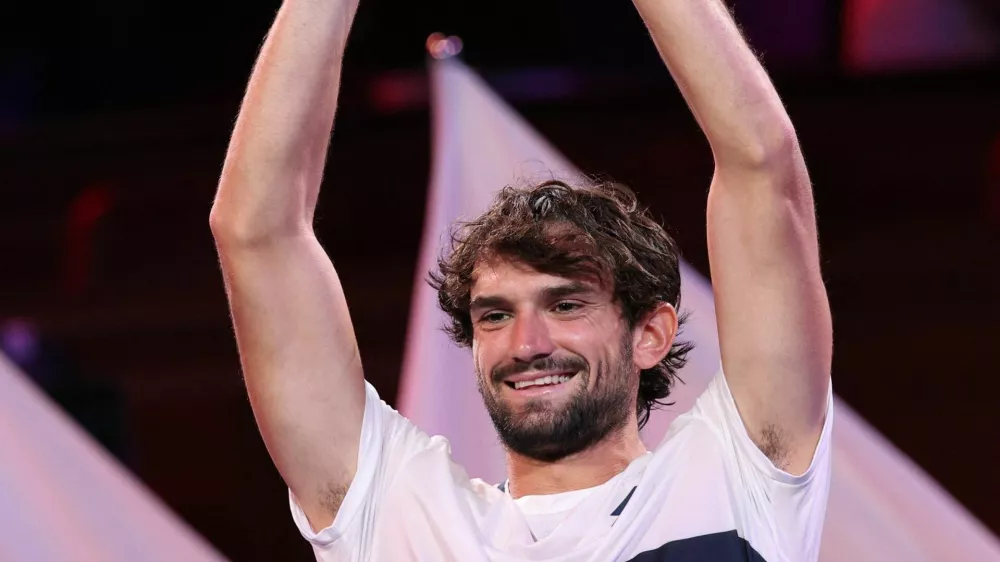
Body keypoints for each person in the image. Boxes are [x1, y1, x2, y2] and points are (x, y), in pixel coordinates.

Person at [209, 0, 834, 560]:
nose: (527, 343)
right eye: (495, 315)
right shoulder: (393, 510)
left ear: (651, 332)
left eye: (565, 305)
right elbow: (256, 232)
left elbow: (761, 163)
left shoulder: (741, 474)